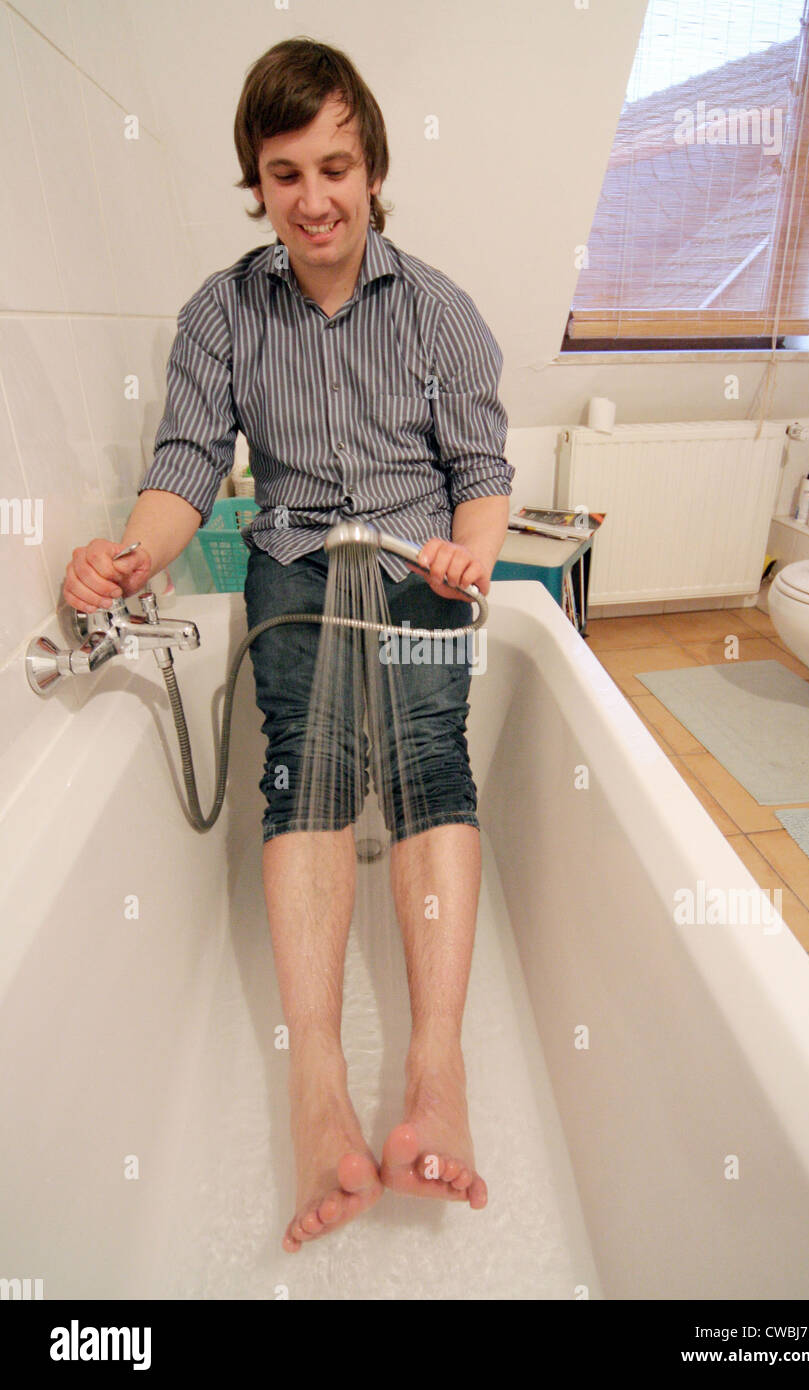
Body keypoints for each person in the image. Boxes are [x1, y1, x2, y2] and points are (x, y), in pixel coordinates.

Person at [62, 37, 513, 1253]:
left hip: (418, 562)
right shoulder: (223, 311)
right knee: (302, 761)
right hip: (298, 563)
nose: (314, 198)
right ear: (253, 181)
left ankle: (434, 1072)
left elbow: (480, 474)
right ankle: (318, 1086)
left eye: (335, 166)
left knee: (427, 749)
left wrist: (470, 549)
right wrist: (132, 556)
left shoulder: (439, 310)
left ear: (370, 167)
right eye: (284, 171)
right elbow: (186, 465)